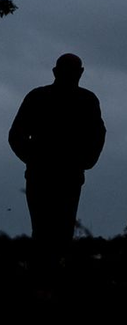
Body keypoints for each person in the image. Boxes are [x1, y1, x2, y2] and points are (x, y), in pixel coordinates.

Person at [8, 53, 106, 267]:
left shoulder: (82, 100)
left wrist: (84, 161)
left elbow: (98, 135)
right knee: (50, 230)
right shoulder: (81, 100)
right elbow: (16, 136)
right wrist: (35, 159)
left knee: (55, 230)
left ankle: (48, 279)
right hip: (52, 173)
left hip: (58, 174)